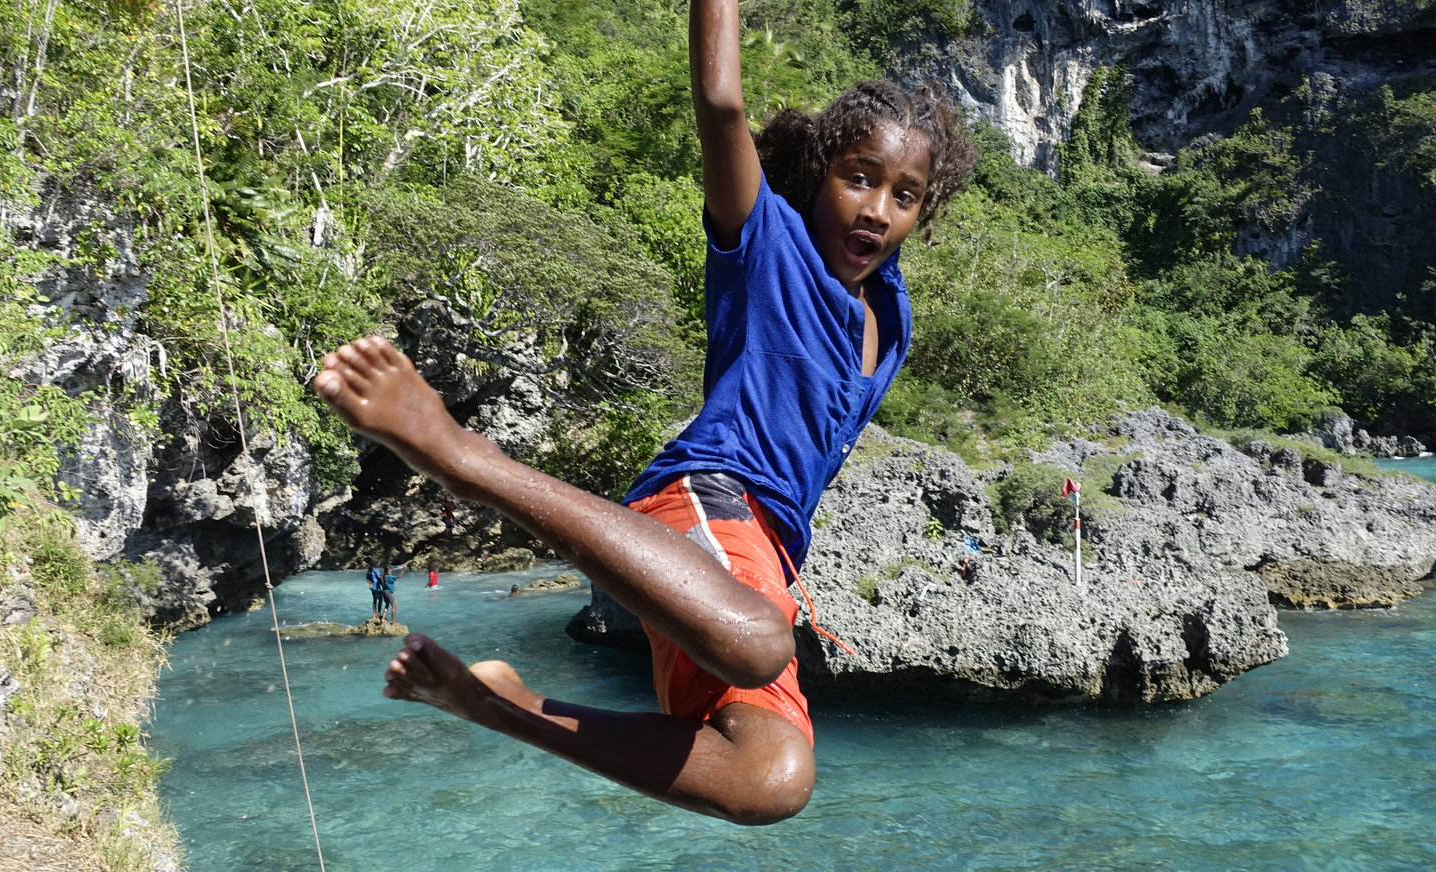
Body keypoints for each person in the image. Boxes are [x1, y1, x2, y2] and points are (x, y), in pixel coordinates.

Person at [311, 0, 974, 825]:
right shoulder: (764, 241)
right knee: (761, 639)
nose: (878, 207)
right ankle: (456, 452)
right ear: (817, 175)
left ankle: (502, 706)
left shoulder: (891, 311)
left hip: (763, 555)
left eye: (904, 195)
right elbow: (722, 103)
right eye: (859, 177)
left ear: (923, 212)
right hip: (707, 500)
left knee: (774, 782)